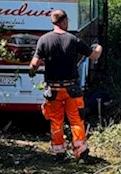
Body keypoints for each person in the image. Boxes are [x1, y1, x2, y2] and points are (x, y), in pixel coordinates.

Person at [29, 9, 102, 162]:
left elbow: (34, 64)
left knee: (56, 121)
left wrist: (34, 70)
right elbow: (94, 55)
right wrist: (98, 47)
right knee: (76, 120)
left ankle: (59, 153)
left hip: (53, 90)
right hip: (72, 90)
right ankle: (81, 153)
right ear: (64, 21)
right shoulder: (73, 39)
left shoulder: (44, 40)